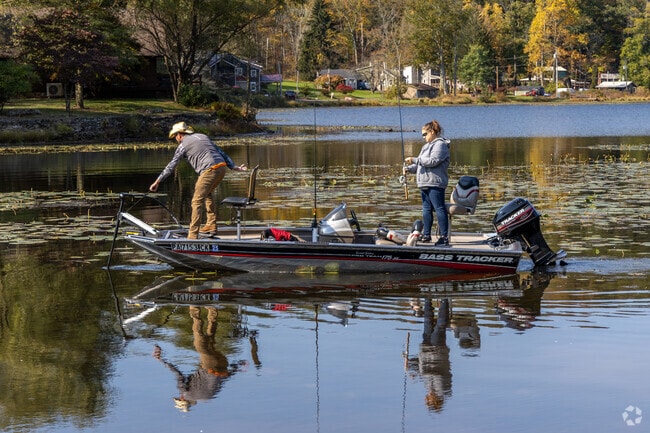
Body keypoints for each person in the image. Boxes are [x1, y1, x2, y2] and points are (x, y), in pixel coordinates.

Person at [149, 121, 247, 239]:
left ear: (180, 135)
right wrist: (233, 166)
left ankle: (192, 234)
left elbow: (171, 166)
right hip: (221, 168)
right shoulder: (202, 136)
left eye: (175, 136)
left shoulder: (182, 145)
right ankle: (211, 225)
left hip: (209, 170)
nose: (175, 139)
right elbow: (221, 152)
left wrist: (157, 181)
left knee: (196, 201)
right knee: (207, 194)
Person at [404, 120, 451, 246]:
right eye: (422, 135)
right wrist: (409, 168)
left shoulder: (440, 145)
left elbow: (433, 161)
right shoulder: (425, 147)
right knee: (426, 210)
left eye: (425, 134)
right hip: (424, 183)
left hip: (435, 183)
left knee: (439, 209)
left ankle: (444, 237)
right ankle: (426, 235)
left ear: (432, 131)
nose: (423, 137)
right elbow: (420, 165)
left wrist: (414, 159)